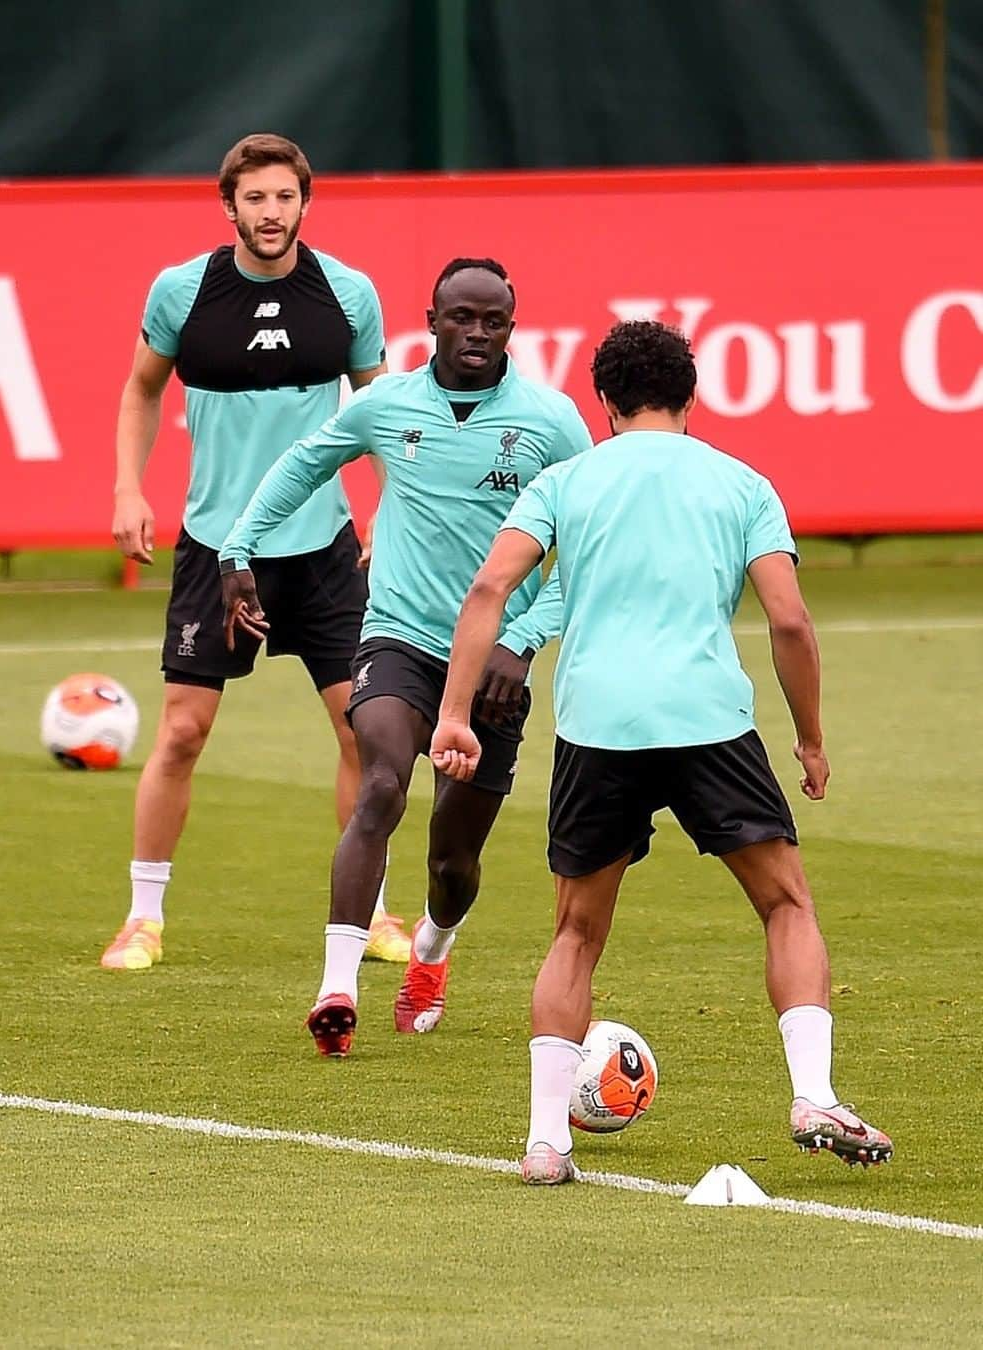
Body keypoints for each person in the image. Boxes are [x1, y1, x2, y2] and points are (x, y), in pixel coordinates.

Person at [430, 319, 893, 1184]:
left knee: (575, 932)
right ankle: (813, 1093)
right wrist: (812, 738)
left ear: (603, 403)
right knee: (786, 904)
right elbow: (789, 620)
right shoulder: (741, 483)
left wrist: (455, 715)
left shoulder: (566, 481)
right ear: (691, 395)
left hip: (598, 727)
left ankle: (544, 1145)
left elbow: (492, 585)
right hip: (709, 721)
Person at [219, 258, 594, 1056]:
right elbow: (302, 464)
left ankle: (431, 947)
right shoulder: (386, 404)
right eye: (462, 317)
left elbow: (592, 552)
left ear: (512, 329)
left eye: (493, 321)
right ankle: (337, 988)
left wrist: (523, 643)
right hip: (397, 639)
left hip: (496, 665)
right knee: (380, 781)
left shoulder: (552, 421)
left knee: (452, 862)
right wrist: (238, 548)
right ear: (432, 320)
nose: (477, 334)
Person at [102, 132, 411, 971]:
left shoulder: (347, 294)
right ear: (229, 205)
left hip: (322, 549)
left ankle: (375, 912)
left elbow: (379, 406)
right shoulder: (182, 292)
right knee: (183, 733)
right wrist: (130, 487)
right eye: (255, 199)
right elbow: (141, 388)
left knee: (365, 733)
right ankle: (143, 917)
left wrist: (389, 502)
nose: (270, 213)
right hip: (217, 547)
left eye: (284, 197)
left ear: (304, 203)